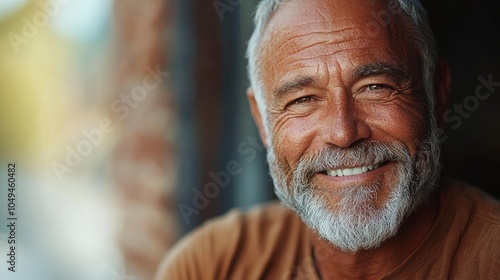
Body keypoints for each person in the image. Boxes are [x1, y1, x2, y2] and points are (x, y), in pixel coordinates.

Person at [156, 0, 500, 279]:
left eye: (375, 87)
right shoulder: (211, 266)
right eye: (303, 100)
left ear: (437, 96)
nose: (343, 133)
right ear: (262, 122)